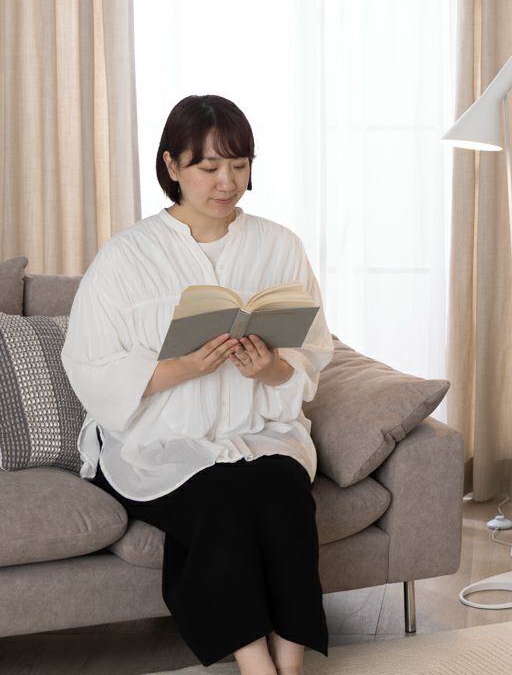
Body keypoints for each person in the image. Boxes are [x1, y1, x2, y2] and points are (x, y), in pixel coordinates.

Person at [61, 94, 334, 675]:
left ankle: (291, 663)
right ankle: (255, 664)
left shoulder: (279, 245)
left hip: (258, 430)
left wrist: (270, 368)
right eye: (209, 167)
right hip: (156, 442)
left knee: (284, 494)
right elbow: (89, 365)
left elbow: (311, 351)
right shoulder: (126, 257)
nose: (226, 182)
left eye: (238, 165)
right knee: (222, 504)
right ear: (171, 165)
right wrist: (185, 368)